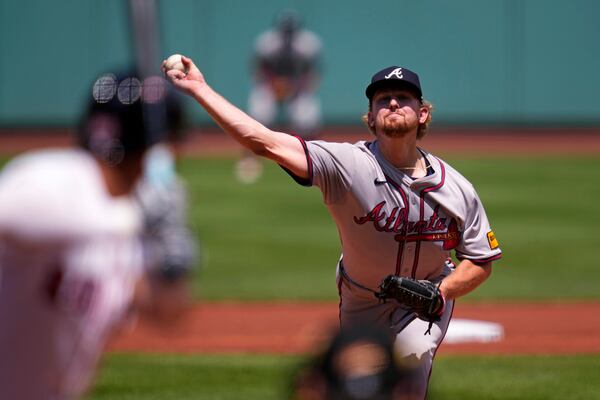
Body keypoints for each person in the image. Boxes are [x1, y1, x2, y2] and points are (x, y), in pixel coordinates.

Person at [163, 57, 502, 399]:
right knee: (357, 386)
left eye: (403, 97)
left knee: (409, 375)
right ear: (370, 117)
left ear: (423, 113)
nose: (394, 103)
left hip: (424, 304)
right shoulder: (346, 165)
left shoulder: (457, 188)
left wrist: (442, 291)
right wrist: (199, 89)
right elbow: (263, 141)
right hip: (361, 300)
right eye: (382, 100)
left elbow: (480, 259)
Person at [0, 71, 193, 399]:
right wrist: (132, 220)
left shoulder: (130, 221)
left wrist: (170, 250)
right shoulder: (48, 179)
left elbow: (166, 313)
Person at [237, 10, 323, 183]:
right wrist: (273, 84)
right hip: (269, 84)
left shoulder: (308, 43)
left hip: (297, 85)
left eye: (291, 31)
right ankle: (249, 159)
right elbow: (259, 68)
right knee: (258, 115)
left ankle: (314, 160)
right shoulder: (267, 42)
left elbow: (311, 72)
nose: (288, 35)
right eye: (285, 31)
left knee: (307, 117)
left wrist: (295, 86)